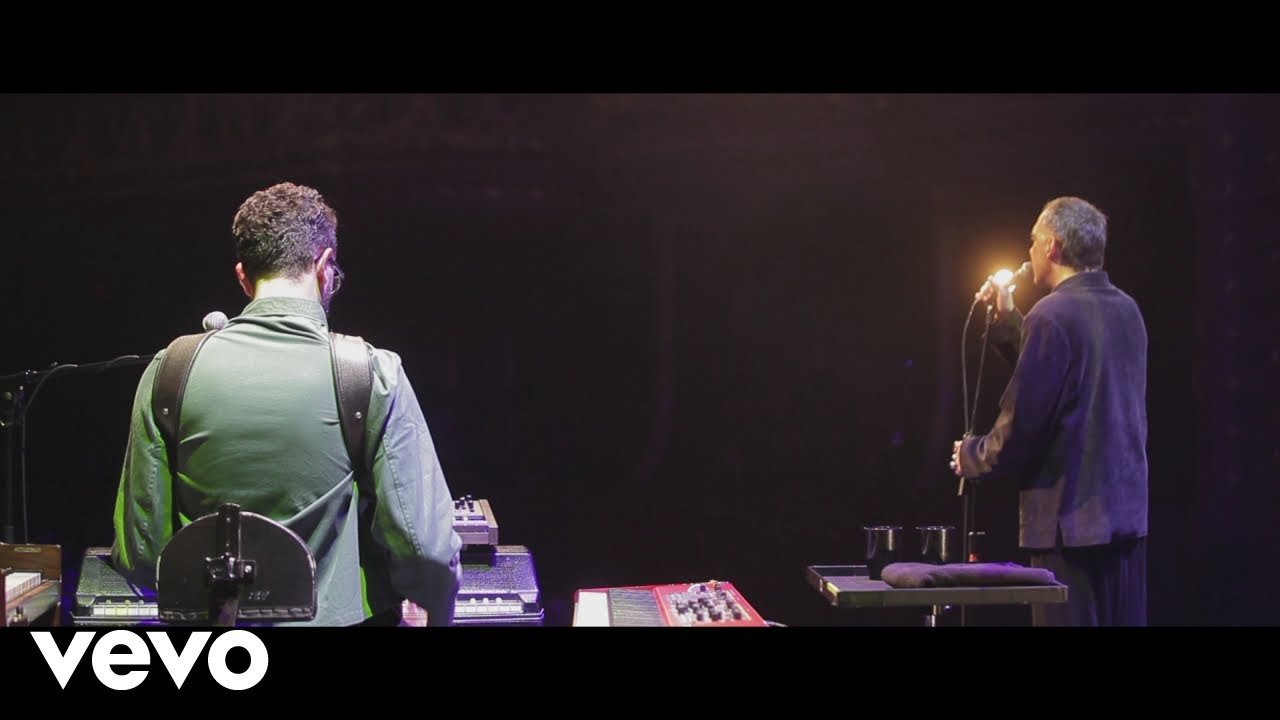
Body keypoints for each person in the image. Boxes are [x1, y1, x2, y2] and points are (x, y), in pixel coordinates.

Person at [111, 181, 462, 626]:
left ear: (243, 276)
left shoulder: (170, 370)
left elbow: (143, 553)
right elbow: (425, 549)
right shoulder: (370, 372)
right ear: (325, 266)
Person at [950, 196, 1148, 627]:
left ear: (1053, 246)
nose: (1029, 251)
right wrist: (1008, 319)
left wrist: (972, 455)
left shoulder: (1051, 314)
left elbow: (1023, 423)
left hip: (1069, 525)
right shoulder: (1127, 310)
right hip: (1124, 522)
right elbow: (1064, 374)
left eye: (1033, 240)